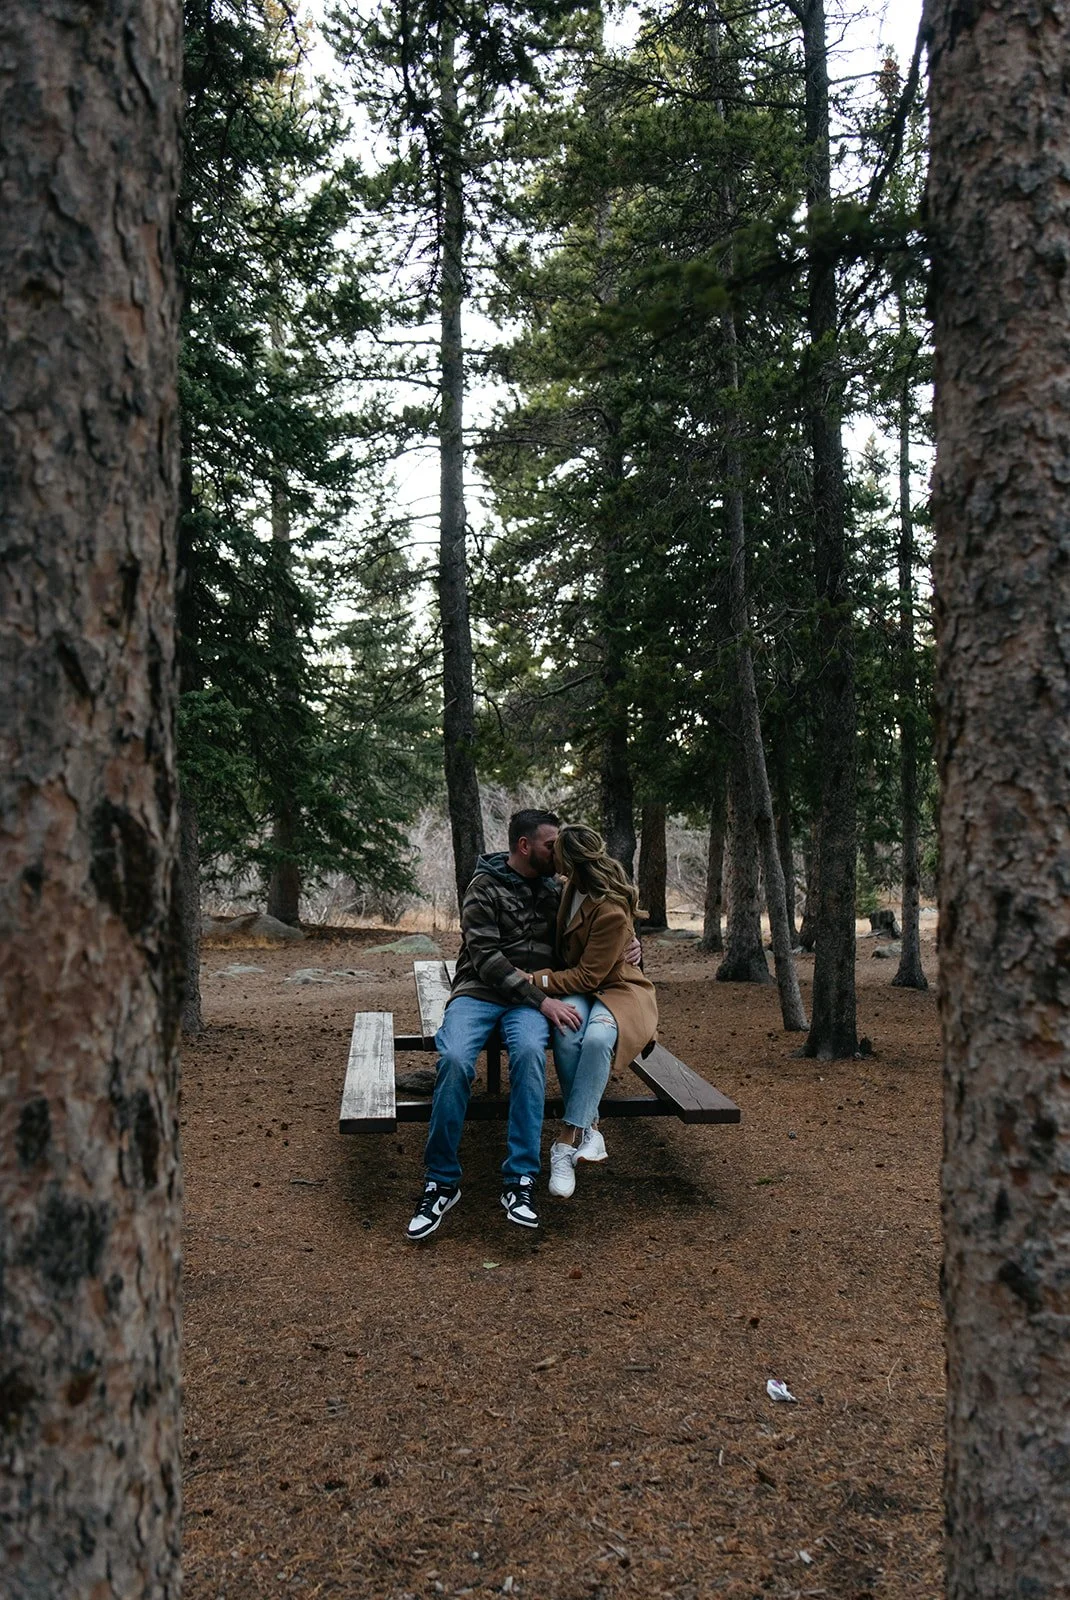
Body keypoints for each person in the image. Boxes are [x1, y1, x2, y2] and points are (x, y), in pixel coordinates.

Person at [405, 809, 580, 1240]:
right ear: (524, 846)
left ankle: (520, 1179)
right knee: (457, 1060)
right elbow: (486, 958)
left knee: (528, 1057)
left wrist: (629, 944)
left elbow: (598, 924)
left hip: (530, 1002)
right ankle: (441, 1180)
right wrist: (543, 1000)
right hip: (481, 992)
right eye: (550, 844)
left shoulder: (559, 889)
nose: (557, 852)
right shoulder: (482, 887)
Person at [524, 823, 658, 1202]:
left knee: (598, 1038)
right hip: (583, 986)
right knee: (567, 1030)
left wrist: (535, 981)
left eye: (555, 850)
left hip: (617, 988)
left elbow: (588, 974)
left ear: (569, 858)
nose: (550, 856)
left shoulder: (610, 909)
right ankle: (590, 1127)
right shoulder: (569, 889)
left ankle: (567, 1139)